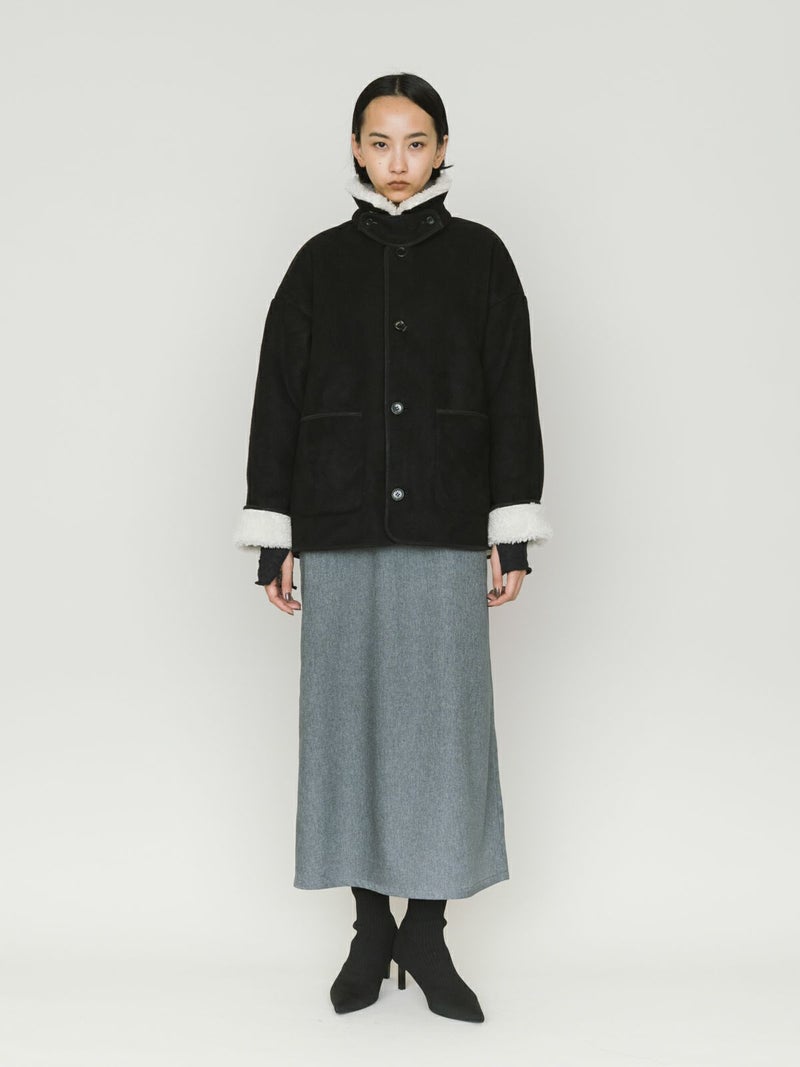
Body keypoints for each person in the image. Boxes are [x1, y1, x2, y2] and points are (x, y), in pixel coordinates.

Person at [234, 72, 552, 1023]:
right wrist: (273, 536)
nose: (398, 161)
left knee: (444, 732)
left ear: (443, 148)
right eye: (380, 142)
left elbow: (513, 392)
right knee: (349, 729)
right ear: (356, 148)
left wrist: (512, 533)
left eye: (416, 142)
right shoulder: (318, 263)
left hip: (449, 521)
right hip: (336, 522)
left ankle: (429, 930)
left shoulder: (483, 257)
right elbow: (277, 398)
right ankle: (370, 928)